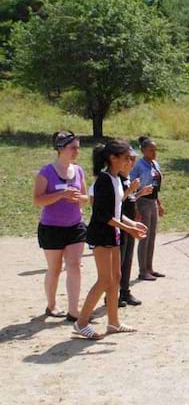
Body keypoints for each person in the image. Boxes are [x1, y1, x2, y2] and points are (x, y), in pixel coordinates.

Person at [73, 140, 147, 340]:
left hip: (112, 233)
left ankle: (113, 323)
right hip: (101, 234)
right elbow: (103, 215)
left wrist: (132, 225)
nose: (128, 162)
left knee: (116, 277)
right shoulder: (104, 180)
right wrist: (129, 230)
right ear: (112, 158)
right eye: (125, 158)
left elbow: (117, 211)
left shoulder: (116, 179)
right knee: (104, 279)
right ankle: (81, 322)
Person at [33, 131, 89, 322]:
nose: (76, 151)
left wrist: (78, 198)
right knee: (54, 269)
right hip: (51, 228)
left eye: (78, 147)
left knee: (74, 266)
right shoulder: (46, 172)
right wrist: (60, 195)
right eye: (73, 147)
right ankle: (51, 305)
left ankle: (74, 311)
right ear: (60, 149)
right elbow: (37, 200)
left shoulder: (79, 170)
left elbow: (85, 198)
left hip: (75, 226)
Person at [118, 147, 153, 307]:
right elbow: (116, 203)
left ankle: (125, 292)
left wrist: (139, 193)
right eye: (128, 159)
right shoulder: (115, 178)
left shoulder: (126, 179)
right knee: (118, 262)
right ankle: (113, 294)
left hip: (130, 225)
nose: (131, 162)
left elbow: (129, 199)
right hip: (119, 225)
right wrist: (132, 190)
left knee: (127, 260)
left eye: (133, 159)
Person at [131, 136, 165, 281]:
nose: (154, 152)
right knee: (144, 237)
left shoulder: (155, 164)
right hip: (142, 201)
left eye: (155, 149)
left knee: (152, 236)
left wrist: (158, 202)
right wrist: (136, 208)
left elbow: (155, 185)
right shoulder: (138, 166)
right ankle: (142, 270)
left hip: (152, 202)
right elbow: (132, 186)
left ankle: (149, 268)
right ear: (143, 150)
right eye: (151, 150)